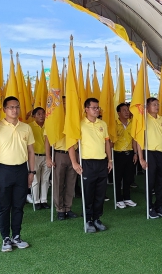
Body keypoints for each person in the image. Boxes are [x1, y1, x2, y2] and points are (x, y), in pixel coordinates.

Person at [0, 96, 36, 252]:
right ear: (4, 109)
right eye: (11, 107)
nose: (14, 110)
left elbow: (31, 151)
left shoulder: (26, 127)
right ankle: (5, 238)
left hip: (21, 170)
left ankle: (16, 236)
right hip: (3, 170)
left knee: (18, 206)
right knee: (4, 207)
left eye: (17, 107)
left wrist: (31, 171)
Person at [69, 98, 112, 233]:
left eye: (98, 107)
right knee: (88, 192)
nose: (96, 110)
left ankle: (97, 218)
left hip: (102, 162)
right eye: (94, 108)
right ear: (86, 109)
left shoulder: (102, 124)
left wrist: (110, 160)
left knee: (100, 193)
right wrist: (74, 163)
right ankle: (87, 220)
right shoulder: (80, 124)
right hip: (87, 163)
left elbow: (107, 143)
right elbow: (71, 144)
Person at [137, 97, 162, 219]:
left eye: (157, 104)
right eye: (153, 105)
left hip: (161, 153)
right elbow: (139, 140)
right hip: (149, 153)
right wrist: (141, 158)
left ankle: (159, 205)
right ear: (147, 107)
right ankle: (149, 207)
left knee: (161, 181)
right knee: (150, 181)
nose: (156, 107)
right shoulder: (143, 120)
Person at [113, 103, 138, 209]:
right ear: (118, 113)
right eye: (124, 110)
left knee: (128, 177)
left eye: (128, 110)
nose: (127, 112)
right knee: (118, 178)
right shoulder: (114, 124)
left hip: (130, 153)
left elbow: (134, 139)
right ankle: (118, 199)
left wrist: (136, 153)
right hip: (118, 154)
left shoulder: (132, 123)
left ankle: (127, 197)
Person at [29, 107, 51, 210]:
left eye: (43, 113)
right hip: (35, 157)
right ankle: (36, 201)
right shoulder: (29, 127)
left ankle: (44, 200)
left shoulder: (49, 126)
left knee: (45, 180)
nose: (42, 115)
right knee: (35, 179)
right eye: (38, 114)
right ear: (33, 116)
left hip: (47, 156)